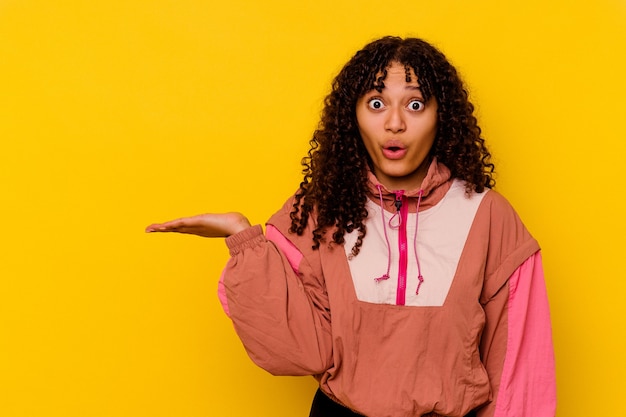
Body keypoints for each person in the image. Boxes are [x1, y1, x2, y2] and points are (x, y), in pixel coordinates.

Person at [146, 36, 556, 417]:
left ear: (440, 115)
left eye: (415, 105)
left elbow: (518, 364)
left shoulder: (488, 215)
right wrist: (244, 238)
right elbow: (300, 351)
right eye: (376, 103)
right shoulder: (320, 212)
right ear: (353, 116)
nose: (394, 123)